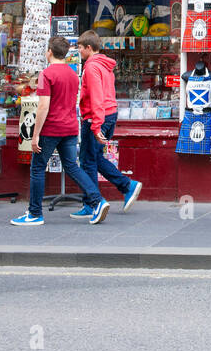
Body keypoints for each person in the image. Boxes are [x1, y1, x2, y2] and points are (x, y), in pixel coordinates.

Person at [11, 37, 110, 226]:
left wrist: (35, 135)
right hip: (70, 127)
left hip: (51, 128)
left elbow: (43, 107)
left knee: (38, 168)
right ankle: (98, 200)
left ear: (49, 51)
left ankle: (34, 213)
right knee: (72, 166)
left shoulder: (46, 74)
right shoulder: (73, 74)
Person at [74, 31, 142, 217]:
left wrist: (95, 125)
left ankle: (92, 204)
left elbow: (96, 97)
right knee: (94, 157)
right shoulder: (105, 65)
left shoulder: (91, 67)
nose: (78, 51)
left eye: (80, 47)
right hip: (110, 114)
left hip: (96, 117)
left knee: (87, 161)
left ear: (89, 48)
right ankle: (127, 186)